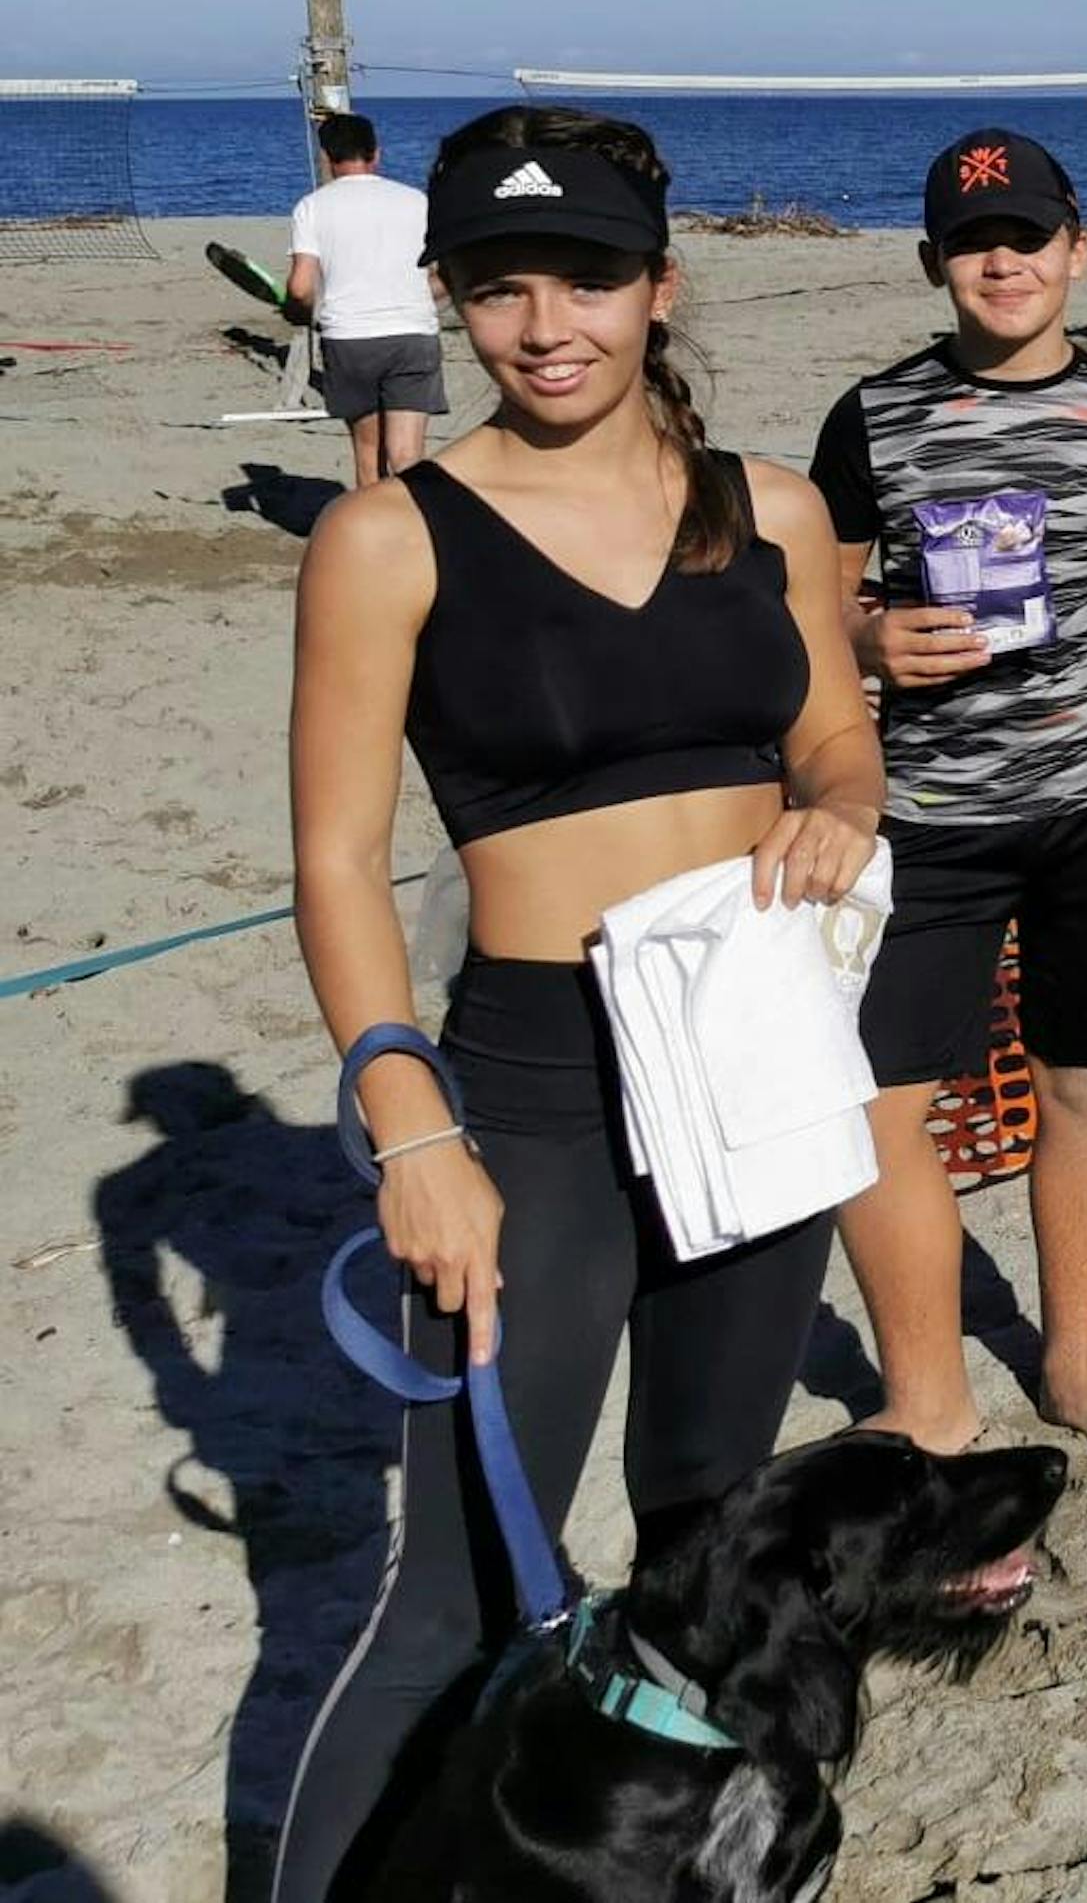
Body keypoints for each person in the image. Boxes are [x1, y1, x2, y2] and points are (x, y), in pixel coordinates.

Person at [275, 105, 883, 1897]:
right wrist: (410, 1123)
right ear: (452, 297)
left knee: (710, 1535)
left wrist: (846, 801)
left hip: (756, 1059)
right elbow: (333, 862)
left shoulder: (769, 507)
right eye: (503, 285)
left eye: (591, 280)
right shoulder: (392, 536)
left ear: (659, 287)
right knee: (461, 1578)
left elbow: (837, 729)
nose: (550, 325)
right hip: (531, 1083)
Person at [812, 129, 1087, 1460]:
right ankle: (926, 1394)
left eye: (1027, 237)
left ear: (1076, 248)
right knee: (876, 1109)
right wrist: (869, 636)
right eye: (972, 240)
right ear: (934, 260)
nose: (1002, 262)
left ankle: (1073, 1368)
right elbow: (809, 598)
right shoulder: (872, 417)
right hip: (925, 819)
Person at [283, 110, 447, 488]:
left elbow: (300, 287)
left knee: (368, 454)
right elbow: (448, 273)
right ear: (376, 153)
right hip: (412, 335)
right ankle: (414, 536)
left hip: (350, 338)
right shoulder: (416, 202)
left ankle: (373, 540)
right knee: (408, 455)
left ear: (326, 157)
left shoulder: (312, 206)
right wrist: (420, 299)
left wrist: (299, 312)